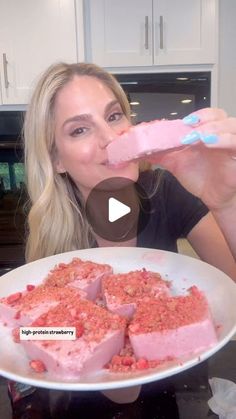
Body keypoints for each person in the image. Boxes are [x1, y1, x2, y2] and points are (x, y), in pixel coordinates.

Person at [10, 62, 236, 413]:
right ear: (57, 159)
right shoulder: (55, 233)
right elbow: (23, 334)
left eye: (114, 117)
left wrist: (226, 203)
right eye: (80, 129)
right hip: (77, 405)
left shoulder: (166, 192)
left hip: (171, 402)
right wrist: (84, 336)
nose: (110, 138)